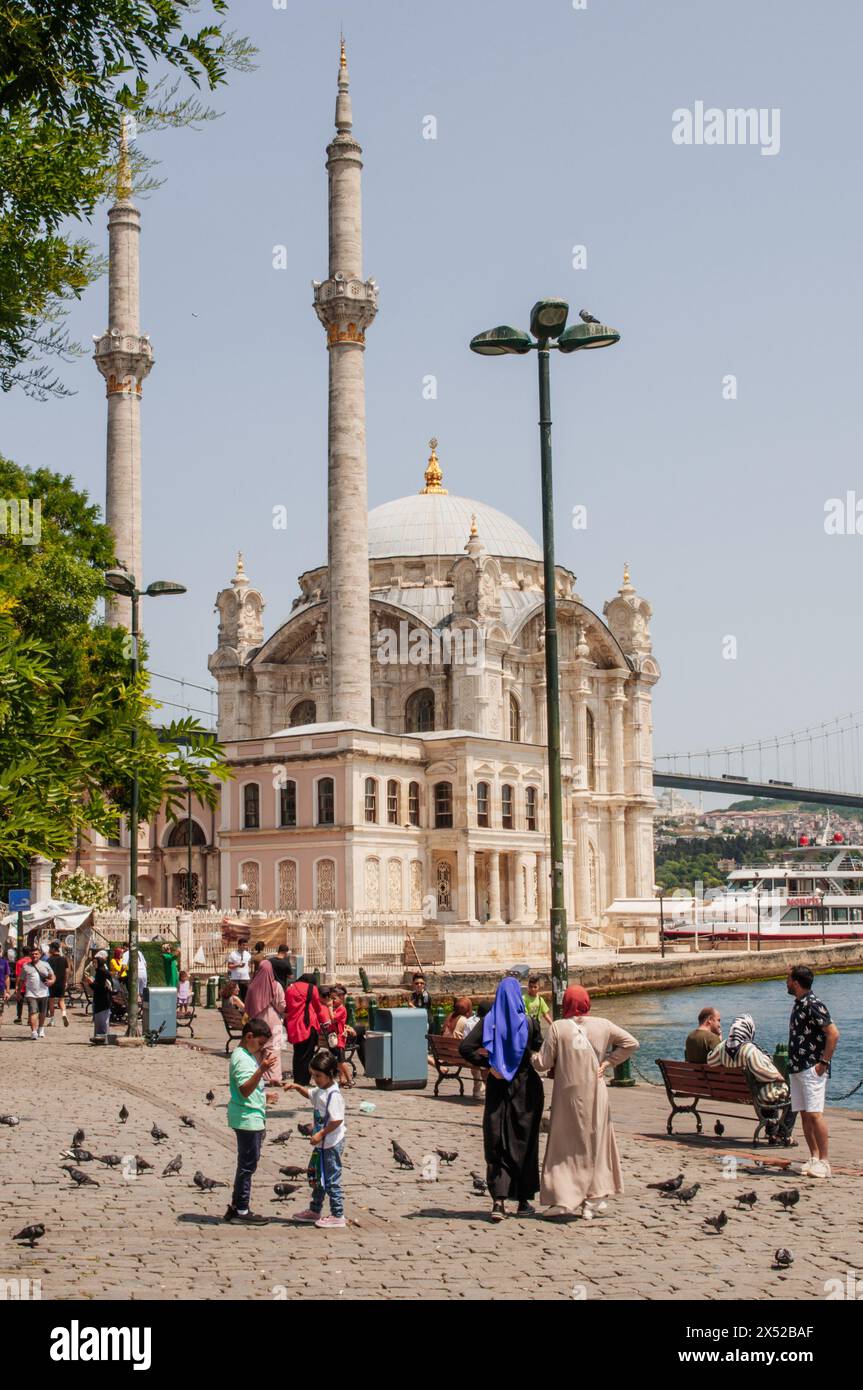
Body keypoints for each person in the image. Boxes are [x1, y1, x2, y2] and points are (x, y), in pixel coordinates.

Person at [532, 985, 638, 1220]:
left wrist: (528, 1055)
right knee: (596, 1142)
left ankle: (562, 1198)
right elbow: (631, 1043)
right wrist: (608, 1062)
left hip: (568, 1094)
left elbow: (543, 1062)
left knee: (564, 1145)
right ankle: (594, 1198)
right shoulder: (604, 1025)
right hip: (595, 1092)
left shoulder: (559, 1027)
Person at [459, 976, 544, 1222]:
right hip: (526, 1087)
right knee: (524, 1141)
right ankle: (524, 1200)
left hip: (498, 1086)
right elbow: (538, 1047)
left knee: (497, 1140)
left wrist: (491, 1063)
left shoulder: (489, 1021)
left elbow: (465, 1048)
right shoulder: (529, 1022)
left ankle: (499, 1200)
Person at [786, 965, 840, 1178]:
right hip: (797, 1066)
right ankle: (814, 1157)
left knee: (815, 1114)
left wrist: (823, 1063)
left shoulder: (813, 1004)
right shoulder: (799, 1004)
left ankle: (825, 1161)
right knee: (805, 1114)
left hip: (811, 1067)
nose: (786, 983)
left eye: (788, 979)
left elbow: (833, 1033)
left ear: (796, 983)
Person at [285, 1050, 347, 1229]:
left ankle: (338, 1214)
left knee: (331, 1178)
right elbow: (311, 1094)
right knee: (319, 1177)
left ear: (330, 1074)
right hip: (322, 1143)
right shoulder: (321, 1090)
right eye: (313, 1075)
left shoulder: (333, 1095)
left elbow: (336, 1120)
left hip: (331, 1143)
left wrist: (320, 1134)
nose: (315, 1079)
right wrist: (297, 1087)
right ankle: (315, 1209)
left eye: (318, 1076)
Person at [706, 1014, 791, 1141]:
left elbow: (710, 1061)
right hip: (757, 1094)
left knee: (767, 1090)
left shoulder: (722, 1047)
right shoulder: (749, 1049)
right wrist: (779, 1077)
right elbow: (762, 1071)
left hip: (735, 1091)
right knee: (793, 1095)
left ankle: (771, 1132)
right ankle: (782, 1135)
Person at [224, 1017, 274, 1225]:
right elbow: (244, 1089)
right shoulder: (243, 1058)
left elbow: (247, 1088)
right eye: (260, 1043)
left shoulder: (243, 1055)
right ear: (249, 1037)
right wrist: (262, 1070)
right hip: (247, 1118)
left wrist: (264, 1096)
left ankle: (237, 1206)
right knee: (247, 1166)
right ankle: (241, 1210)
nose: (261, 1048)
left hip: (249, 1114)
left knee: (246, 1164)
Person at [243, 958, 286, 1091]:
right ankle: (274, 1077)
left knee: (256, 1050)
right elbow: (281, 1006)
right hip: (274, 1022)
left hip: (256, 1023)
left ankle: (256, 1074)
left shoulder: (252, 986)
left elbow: (247, 1007)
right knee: (274, 1051)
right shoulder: (276, 985)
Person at [286, 974, 326, 1086]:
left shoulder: (290, 988)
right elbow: (318, 1007)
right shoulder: (311, 988)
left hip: (293, 1024)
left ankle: (297, 1079)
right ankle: (304, 1080)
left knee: (298, 1053)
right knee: (308, 1054)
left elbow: (288, 1007)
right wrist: (324, 1020)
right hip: (308, 1025)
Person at [445, 996, 484, 1101]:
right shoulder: (465, 1021)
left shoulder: (450, 1017)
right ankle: (478, 1089)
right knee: (478, 1057)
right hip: (459, 1054)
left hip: (446, 1053)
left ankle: (480, 1087)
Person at [20, 944, 55, 1040]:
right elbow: (21, 980)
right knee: (33, 1012)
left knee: (42, 1012)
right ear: (30, 955)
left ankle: (41, 1028)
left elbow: (53, 976)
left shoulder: (45, 965)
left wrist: (51, 981)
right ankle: (34, 1031)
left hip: (43, 993)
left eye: (36, 954)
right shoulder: (25, 966)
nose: (34, 956)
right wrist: (18, 992)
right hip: (31, 993)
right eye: (32, 954)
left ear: (40, 955)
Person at [90, 950, 114, 1043]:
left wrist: (91, 983)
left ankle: (103, 1038)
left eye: (95, 962)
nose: (94, 964)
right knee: (99, 1020)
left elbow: (100, 987)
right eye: (93, 962)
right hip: (100, 999)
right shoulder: (100, 971)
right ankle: (99, 1037)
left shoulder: (102, 972)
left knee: (103, 1021)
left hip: (103, 999)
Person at [45, 942, 70, 1028]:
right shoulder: (64, 959)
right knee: (61, 1000)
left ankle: (52, 1020)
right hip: (61, 982)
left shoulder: (49, 960)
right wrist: (65, 981)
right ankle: (63, 1014)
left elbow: (47, 972)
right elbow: (67, 971)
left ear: (53, 949)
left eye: (50, 948)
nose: (49, 950)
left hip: (52, 982)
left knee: (51, 1000)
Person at [13, 947, 31, 1023]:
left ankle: (19, 1017)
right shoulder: (32, 961)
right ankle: (30, 1019)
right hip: (30, 984)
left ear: (22, 953)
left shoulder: (19, 962)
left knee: (19, 1001)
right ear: (30, 952)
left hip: (21, 985)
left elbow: (18, 975)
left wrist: (16, 986)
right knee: (31, 1002)